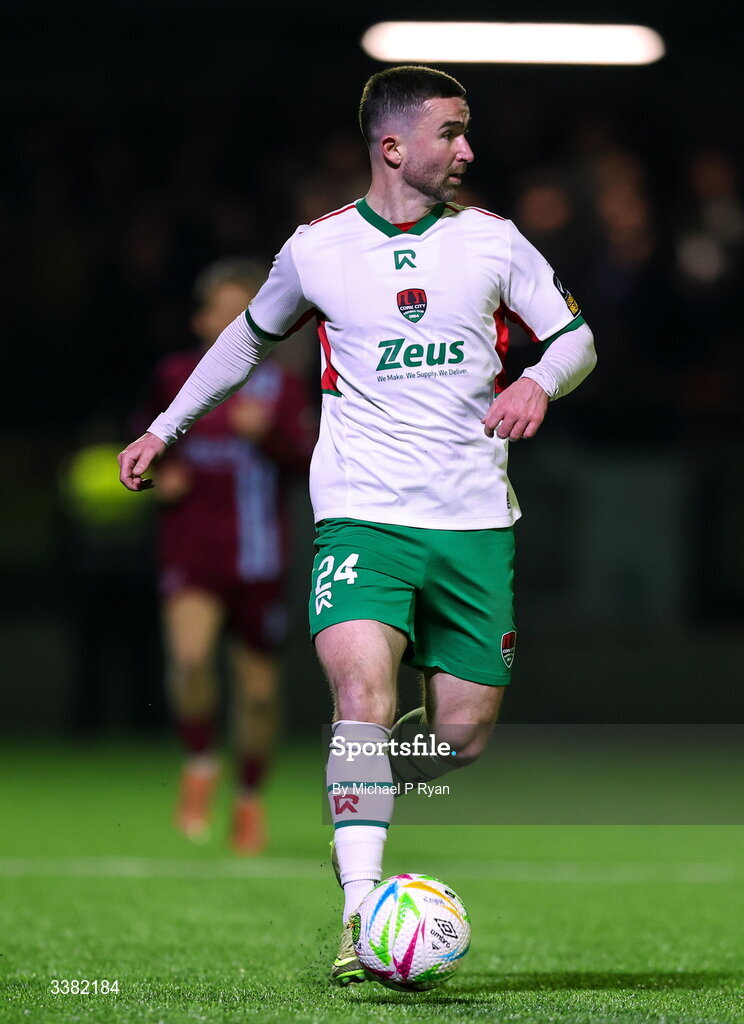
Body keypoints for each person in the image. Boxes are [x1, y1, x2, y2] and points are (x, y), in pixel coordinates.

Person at [118, 66, 596, 981]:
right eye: (452, 133)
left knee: (457, 737)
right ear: (393, 146)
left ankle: (359, 779)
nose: (467, 149)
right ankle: (357, 910)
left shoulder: (495, 242)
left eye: (466, 133)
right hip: (361, 517)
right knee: (361, 705)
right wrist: (165, 427)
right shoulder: (318, 250)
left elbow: (576, 335)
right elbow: (247, 340)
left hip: (473, 522)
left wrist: (539, 379)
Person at [148, 259, 314, 853]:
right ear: (201, 317)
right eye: (222, 307)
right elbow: (148, 445)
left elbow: (306, 464)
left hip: (260, 558)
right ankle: (199, 765)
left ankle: (247, 800)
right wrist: (160, 477)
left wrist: (266, 435)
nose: (231, 318)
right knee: (190, 661)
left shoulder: (284, 387)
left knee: (261, 694)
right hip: (193, 551)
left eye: (243, 307)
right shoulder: (174, 376)